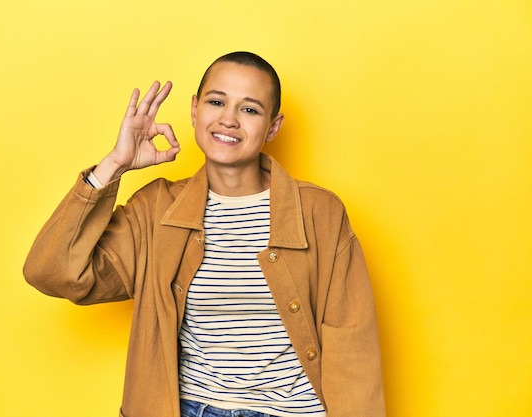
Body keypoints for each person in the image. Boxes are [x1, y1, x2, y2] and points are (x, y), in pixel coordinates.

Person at [24, 51, 385, 417]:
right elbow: (54, 272)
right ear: (195, 109)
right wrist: (113, 165)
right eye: (216, 102)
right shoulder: (157, 209)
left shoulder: (320, 213)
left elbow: (352, 343)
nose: (228, 120)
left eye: (249, 110)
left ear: (273, 127)